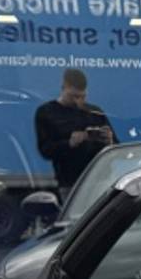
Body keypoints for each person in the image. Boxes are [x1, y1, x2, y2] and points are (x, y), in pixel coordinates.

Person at [34, 69, 114, 197]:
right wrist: (69, 143)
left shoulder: (95, 112)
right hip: (70, 181)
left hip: (100, 179)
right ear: (63, 88)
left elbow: (115, 146)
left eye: (82, 96)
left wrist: (109, 140)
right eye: (74, 96)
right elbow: (45, 150)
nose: (78, 101)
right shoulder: (47, 112)